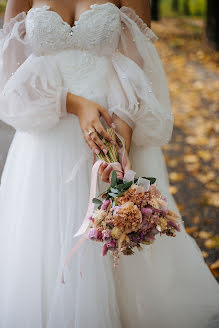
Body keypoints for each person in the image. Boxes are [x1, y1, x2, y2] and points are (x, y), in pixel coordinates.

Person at [0, 0, 218, 327]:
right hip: (44, 146)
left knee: (121, 252)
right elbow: (10, 77)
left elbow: (138, 64)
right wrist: (72, 103)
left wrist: (122, 135)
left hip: (111, 135)